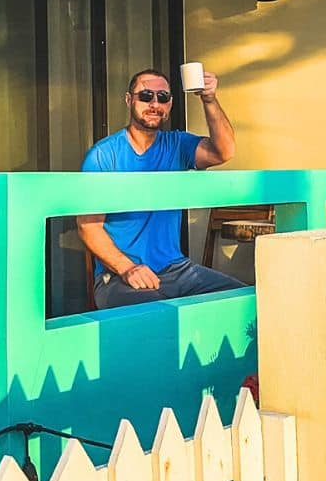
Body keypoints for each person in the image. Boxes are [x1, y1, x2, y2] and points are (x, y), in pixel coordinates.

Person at [77, 68, 246, 309]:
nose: (154, 103)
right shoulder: (103, 156)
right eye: (145, 96)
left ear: (170, 104)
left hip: (177, 269)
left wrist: (209, 99)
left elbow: (224, 151)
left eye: (162, 97)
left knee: (245, 301)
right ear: (129, 100)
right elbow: (87, 226)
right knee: (160, 317)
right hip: (118, 277)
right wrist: (127, 268)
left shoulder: (177, 145)